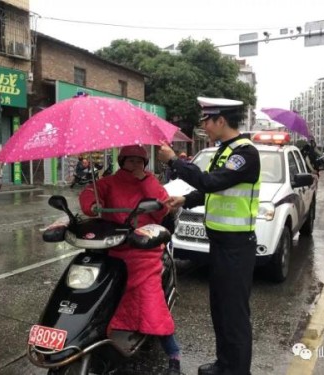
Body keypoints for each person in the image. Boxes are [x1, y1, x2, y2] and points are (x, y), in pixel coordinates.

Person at [158, 97, 261, 375]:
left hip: (237, 246)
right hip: (220, 243)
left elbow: (211, 181)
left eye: (206, 120)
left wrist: (175, 162)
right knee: (220, 308)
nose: (204, 125)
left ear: (221, 120)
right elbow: (212, 189)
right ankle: (225, 363)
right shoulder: (224, 150)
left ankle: (236, 371)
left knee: (234, 314)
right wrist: (185, 199)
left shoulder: (245, 153)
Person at [79, 145, 181, 375]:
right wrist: (92, 205)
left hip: (142, 248)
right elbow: (88, 194)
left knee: (151, 300)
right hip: (112, 245)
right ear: (121, 161)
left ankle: (173, 352)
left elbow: (162, 208)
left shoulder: (150, 182)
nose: (134, 165)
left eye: (139, 161)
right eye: (130, 160)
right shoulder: (107, 182)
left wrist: (145, 182)